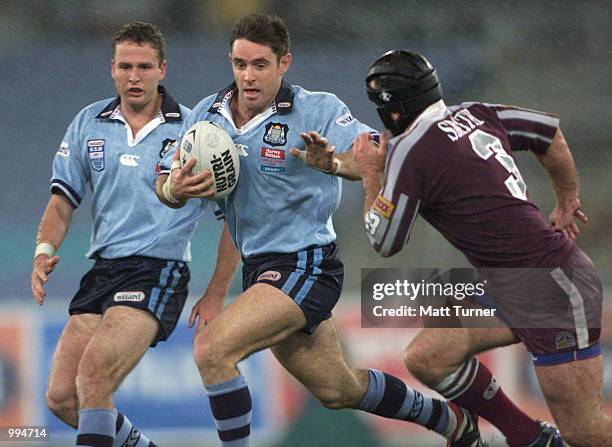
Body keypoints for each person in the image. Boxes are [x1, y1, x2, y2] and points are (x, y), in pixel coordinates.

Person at [157, 13, 486, 447]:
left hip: (305, 263)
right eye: (240, 64)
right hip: (260, 270)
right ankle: (449, 421)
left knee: (213, 349)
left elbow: (372, 156)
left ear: (284, 63)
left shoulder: (317, 109)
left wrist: (333, 163)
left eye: (260, 65)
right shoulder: (206, 117)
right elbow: (165, 184)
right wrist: (174, 188)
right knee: (340, 389)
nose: (248, 76)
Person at [346, 50, 609, 447]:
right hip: (514, 284)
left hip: (550, 287)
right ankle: (529, 438)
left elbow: (384, 241)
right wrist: (567, 198)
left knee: (586, 431)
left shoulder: (408, 150)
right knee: (429, 357)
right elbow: (548, 133)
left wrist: (369, 175)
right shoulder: (475, 112)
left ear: (392, 113)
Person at [31, 22, 215, 447]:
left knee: (94, 377)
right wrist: (44, 250)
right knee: (61, 398)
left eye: (144, 67)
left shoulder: (195, 132)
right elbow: (61, 202)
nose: (135, 76)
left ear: (162, 69)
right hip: (104, 270)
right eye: (125, 67)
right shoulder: (88, 122)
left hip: (157, 270)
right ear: (112, 69)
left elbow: (232, 217)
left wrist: (217, 288)